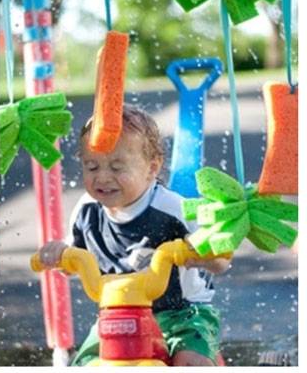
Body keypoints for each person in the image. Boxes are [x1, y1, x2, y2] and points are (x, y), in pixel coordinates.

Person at [35, 106, 231, 366]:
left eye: (117, 168)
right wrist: (59, 254)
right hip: (117, 315)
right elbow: (72, 259)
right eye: (91, 167)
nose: (103, 177)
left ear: (152, 168)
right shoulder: (86, 210)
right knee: (85, 364)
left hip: (182, 313)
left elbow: (220, 259)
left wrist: (202, 256)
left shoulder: (173, 209)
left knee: (191, 363)